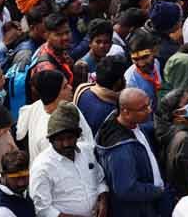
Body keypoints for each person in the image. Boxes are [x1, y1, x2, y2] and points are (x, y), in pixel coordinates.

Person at [95, 87, 169, 217]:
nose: (149, 110)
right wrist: (158, 191)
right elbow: (126, 190)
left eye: (149, 104)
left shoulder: (131, 123)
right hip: (140, 209)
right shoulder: (121, 151)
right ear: (126, 112)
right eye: (143, 108)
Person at [29, 102, 109, 217]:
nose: (66, 143)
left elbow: (100, 180)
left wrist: (103, 202)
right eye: (60, 139)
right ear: (51, 140)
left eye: (70, 138)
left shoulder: (87, 151)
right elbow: (43, 209)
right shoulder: (42, 167)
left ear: (77, 136)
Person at [0, 149, 35, 217]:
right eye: (15, 179)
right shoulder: (1, 212)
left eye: (24, 177)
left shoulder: (18, 189)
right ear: (3, 175)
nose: (21, 183)